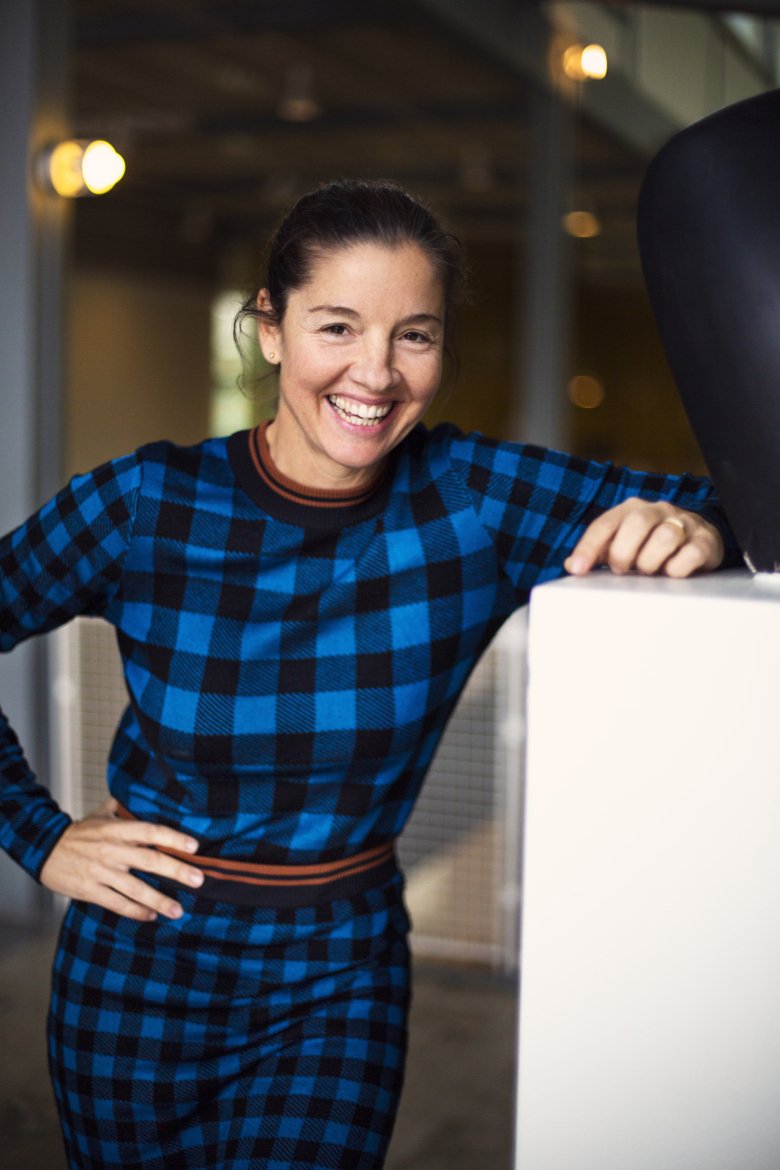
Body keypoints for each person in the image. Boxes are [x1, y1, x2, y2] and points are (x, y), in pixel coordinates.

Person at [0, 179, 736, 1170]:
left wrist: (705, 524)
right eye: (337, 327)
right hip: (141, 965)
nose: (376, 374)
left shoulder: (472, 496)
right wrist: (39, 837)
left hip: (338, 975)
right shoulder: (147, 503)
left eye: (415, 336)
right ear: (269, 330)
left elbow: (734, 490)